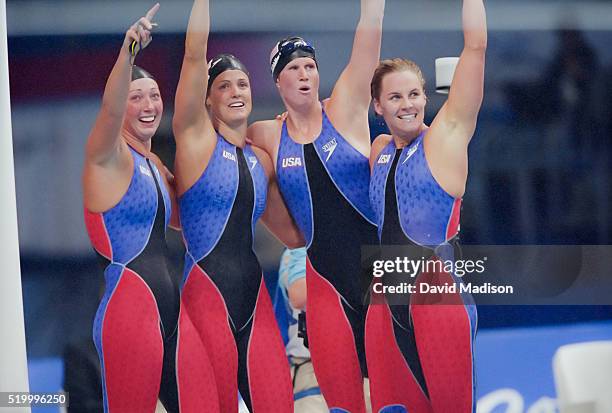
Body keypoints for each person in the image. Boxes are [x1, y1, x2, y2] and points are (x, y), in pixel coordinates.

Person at [248, 1, 384, 411]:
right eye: (293, 68)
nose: (304, 73)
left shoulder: (345, 106)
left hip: (379, 270)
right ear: (277, 81)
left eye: (309, 65)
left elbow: (369, 34)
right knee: (344, 400)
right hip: (324, 279)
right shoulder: (267, 134)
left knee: (392, 393)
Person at [82, 5, 218, 411]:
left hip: (171, 309)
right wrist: (129, 51)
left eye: (155, 97)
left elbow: (189, 216)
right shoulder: (106, 156)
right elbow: (108, 110)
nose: (148, 105)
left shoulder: (154, 164)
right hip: (129, 311)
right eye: (136, 97)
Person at [172, 0, 303, 412]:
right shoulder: (195, 142)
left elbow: (298, 234)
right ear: (207, 100)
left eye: (242, 84)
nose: (235, 92)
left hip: (255, 297)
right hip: (206, 295)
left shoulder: (260, 160)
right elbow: (194, 55)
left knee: (278, 402)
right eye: (223, 86)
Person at [366, 0, 486, 412]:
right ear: (377, 107)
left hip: (438, 299)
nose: (408, 104)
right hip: (385, 305)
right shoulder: (379, 149)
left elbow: (475, 48)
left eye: (415, 93)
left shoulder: (445, 139)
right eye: (395, 97)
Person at [275, 247, 328, 412]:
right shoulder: (300, 247)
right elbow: (299, 295)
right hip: (313, 372)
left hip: (370, 367)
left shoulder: (374, 240)